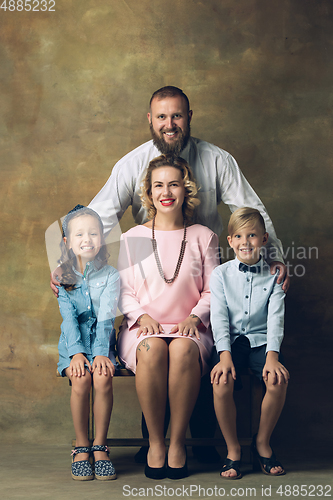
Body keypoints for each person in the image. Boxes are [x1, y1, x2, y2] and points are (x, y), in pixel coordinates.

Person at [117, 155, 220, 479]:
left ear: (185, 189)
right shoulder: (131, 237)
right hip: (141, 328)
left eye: (173, 184)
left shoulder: (204, 236)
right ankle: (156, 443)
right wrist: (140, 316)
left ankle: (177, 442)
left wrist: (194, 317)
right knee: (153, 348)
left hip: (192, 328)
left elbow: (214, 290)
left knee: (182, 349)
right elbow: (122, 291)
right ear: (148, 191)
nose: (166, 191)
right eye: (158, 184)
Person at [210, 207, 289, 480]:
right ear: (230, 241)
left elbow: (276, 319)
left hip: (261, 342)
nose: (246, 242)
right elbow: (218, 316)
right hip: (229, 343)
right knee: (221, 380)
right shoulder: (220, 274)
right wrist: (224, 355)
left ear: (264, 239)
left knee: (277, 379)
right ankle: (233, 451)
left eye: (253, 235)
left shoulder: (274, 275)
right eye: (240, 236)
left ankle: (262, 443)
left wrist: (272, 356)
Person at [57, 205, 120, 481]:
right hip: (73, 343)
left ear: (102, 238)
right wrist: (77, 354)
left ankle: (100, 446)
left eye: (94, 233)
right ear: (67, 242)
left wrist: (101, 354)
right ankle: (81, 445)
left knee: (102, 377)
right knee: (80, 379)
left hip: (103, 342)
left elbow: (106, 318)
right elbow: (69, 319)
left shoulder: (111, 275)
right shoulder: (62, 277)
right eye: (79, 234)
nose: (87, 240)